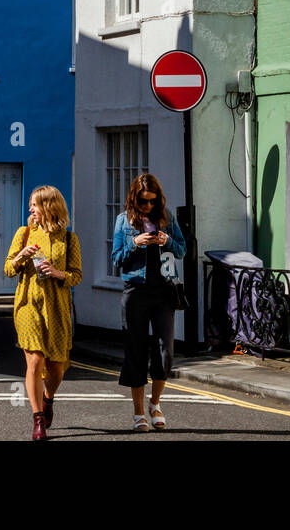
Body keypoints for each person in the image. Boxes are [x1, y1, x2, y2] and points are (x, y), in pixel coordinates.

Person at [5, 185, 82, 441]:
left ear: (49, 207)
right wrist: (21, 257)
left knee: (56, 368)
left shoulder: (69, 239)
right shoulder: (24, 233)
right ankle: (38, 419)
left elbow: (77, 276)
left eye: (35, 205)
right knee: (35, 361)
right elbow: (8, 268)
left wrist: (59, 273)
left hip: (58, 308)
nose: (30, 209)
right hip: (28, 305)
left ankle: (48, 400)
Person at [111, 172, 186, 432]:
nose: (149, 206)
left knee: (166, 351)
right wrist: (134, 242)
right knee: (136, 351)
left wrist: (168, 241)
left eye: (153, 201)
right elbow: (116, 258)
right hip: (136, 292)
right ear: (135, 199)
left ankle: (155, 403)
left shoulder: (167, 218)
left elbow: (183, 249)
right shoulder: (123, 221)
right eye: (144, 201)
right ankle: (138, 413)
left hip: (164, 291)